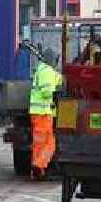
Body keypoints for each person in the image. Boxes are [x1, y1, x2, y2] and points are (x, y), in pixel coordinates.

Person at [29, 48, 63, 180]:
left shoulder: (42, 70)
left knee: (39, 143)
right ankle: (39, 165)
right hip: (43, 113)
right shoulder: (47, 72)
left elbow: (58, 78)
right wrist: (57, 93)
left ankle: (38, 169)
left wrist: (61, 79)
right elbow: (47, 92)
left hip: (39, 113)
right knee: (49, 143)